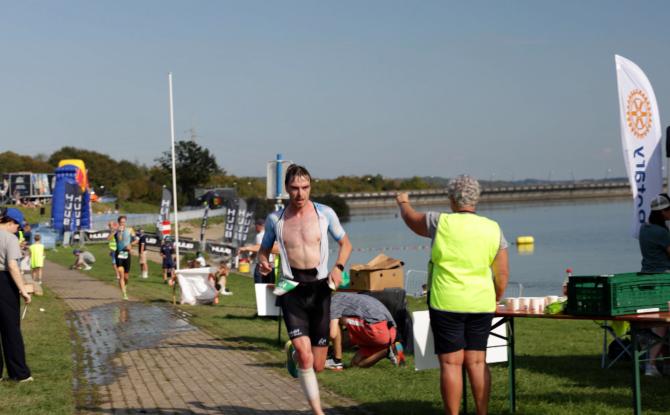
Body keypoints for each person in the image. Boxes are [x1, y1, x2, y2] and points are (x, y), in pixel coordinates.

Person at [397, 175, 509, 415]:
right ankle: (482, 412)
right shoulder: (493, 228)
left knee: (450, 363)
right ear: (477, 198)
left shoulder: (439, 222)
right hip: (481, 303)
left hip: (446, 301)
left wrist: (403, 202)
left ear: (451, 199)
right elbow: (502, 274)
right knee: (478, 362)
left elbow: (411, 219)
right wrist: (495, 298)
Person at [258, 164, 352, 415]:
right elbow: (264, 250)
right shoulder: (275, 219)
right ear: (287, 189)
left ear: (310, 186)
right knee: (306, 356)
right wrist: (263, 262)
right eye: (295, 188)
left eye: (305, 187)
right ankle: (318, 412)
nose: (300, 193)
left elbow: (345, 244)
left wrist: (339, 267)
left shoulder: (325, 214)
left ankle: (293, 352)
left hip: (320, 291)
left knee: (318, 365)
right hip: (292, 290)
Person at [637, 193, 670, 376]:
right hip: (663, 280)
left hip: (646, 277)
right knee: (662, 323)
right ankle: (650, 364)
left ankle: (651, 359)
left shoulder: (645, 229)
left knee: (654, 320)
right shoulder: (662, 233)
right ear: (664, 212)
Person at [327, 292, 403, 371]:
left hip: (377, 330)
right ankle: (387, 352)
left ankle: (336, 361)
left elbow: (333, 334)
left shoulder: (334, 301)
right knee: (355, 364)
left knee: (337, 321)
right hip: (391, 333)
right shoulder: (354, 298)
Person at [0, 208, 33, 382]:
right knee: (11, 330)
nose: (18, 231)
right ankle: (19, 373)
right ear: (12, 222)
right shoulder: (10, 238)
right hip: (4, 282)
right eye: (18, 227)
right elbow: (12, 266)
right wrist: (23, 289)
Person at [114, 215, 137, 300]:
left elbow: (136, 240)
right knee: (121, 274)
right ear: (118, 222)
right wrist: (117, 231)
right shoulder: (116, 231)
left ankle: (124, 285)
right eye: (121, 222)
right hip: (119, 253)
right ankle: (124, 294)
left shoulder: (130, 230)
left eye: (124, 222)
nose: (122, 223)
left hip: (126, 253)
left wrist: (131, 245)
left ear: (125, 222)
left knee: (126, 276)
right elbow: (112, 238)